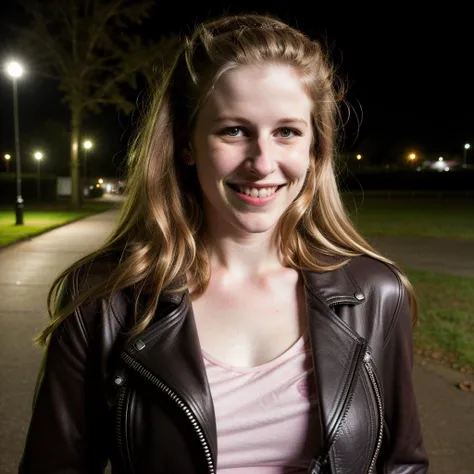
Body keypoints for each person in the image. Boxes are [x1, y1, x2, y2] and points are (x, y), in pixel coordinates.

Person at [19, 13, 429, 474]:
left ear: (315, 150)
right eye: (234, 130)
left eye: (287, 132)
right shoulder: (104, 299)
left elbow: (401, 464)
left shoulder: (376, 293)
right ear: (186, 145)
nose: (262, 162)